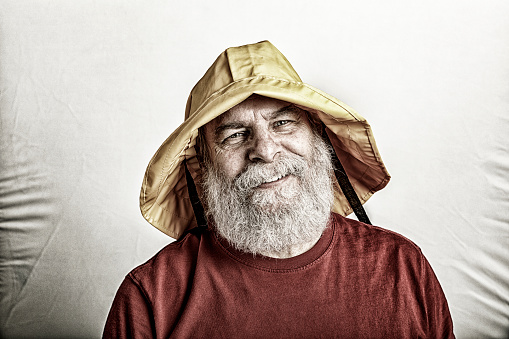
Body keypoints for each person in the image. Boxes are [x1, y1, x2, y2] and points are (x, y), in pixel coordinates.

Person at [103, 41, 454, 338]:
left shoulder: (403, 267)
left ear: (319, 138)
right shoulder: (151, 297)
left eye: (283, 122)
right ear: (203, 166)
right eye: (235, 135)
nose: (266, 151)